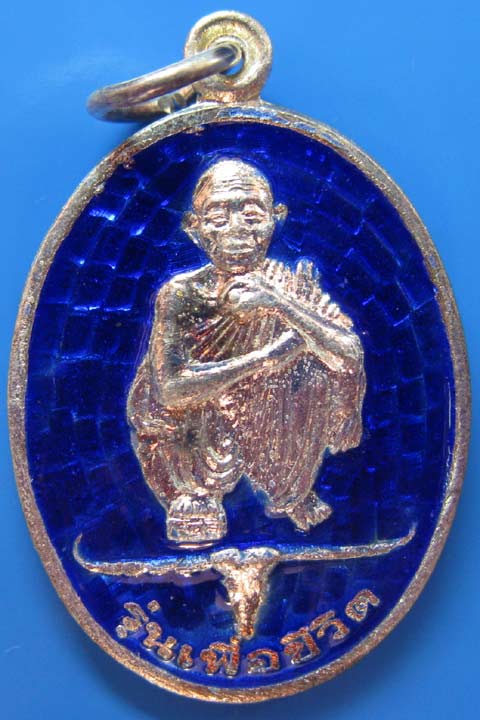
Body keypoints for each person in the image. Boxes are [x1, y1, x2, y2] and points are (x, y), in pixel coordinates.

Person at [128, 159, 365, 545]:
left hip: (273, 415)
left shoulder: (290, 286)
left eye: (252, 216)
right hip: (203, 430)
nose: (237, 230)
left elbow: (349, 356)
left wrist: (282, 305)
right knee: (157, 400)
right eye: (218, 218)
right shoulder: (181, 294)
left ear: (276, 219)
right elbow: (171, 390)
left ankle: (290, 486)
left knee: (314, 368)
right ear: (194, 227)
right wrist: (265, 358)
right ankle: (192, 492)